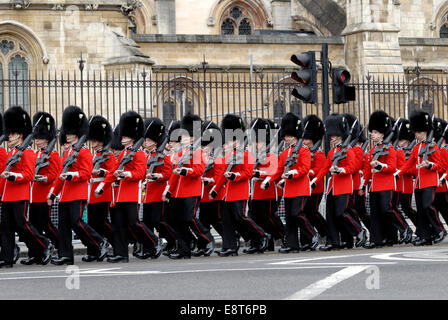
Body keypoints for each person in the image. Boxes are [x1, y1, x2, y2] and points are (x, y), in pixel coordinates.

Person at [48, 106, 109, 265]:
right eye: (66, 133)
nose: (67, 136)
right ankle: (66, 255)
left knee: (77, 222)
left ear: (76, 133)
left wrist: (72, 175)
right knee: (63, 227)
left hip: (78, 194)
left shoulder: (84, 152)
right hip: (65, 196)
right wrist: (53, 194)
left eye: (69, 133)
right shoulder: (67, 153)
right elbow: (60, 177)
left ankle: (99, 242)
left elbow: (86, 173)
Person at [103, 111, 166, 263]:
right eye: (122, 137)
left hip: (131, 193)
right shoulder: (124, 153)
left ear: (132, 137)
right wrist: (103, 184)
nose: (122, 139)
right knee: (118, 225)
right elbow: (114, 172)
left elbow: (140, 173)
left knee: (134, 223)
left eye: (125, 137)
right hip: (119, 195)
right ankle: (121, 254)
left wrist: (126, 175)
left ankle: (155, 241)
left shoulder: (138, 154)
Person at [0, 106, 53, 268]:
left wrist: (14, 176)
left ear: (20, 134)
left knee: (22, 225)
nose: (8, 137)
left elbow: (29, 175)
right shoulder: (10, 153)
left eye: (12, 134)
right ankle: (7, 257)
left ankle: (44, 244)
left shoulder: (27, 152)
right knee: (6, 227)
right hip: (7, 196)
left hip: (20, 195)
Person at [213, 114, 270, 256]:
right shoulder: (227, 156)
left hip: (240, 192)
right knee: (227, 221)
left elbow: (247, 173)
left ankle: (261, 235)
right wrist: (216, 189)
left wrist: (234, 176)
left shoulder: (246, 154)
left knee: (241, 218)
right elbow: (222, 175)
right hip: (227, 194)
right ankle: (229, 247)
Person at [262, 112, 315, 254]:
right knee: (290, 218)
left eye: (288, 135)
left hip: (301, 188)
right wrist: (268, 180)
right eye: (285, 135)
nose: (286, 138)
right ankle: (292, 245)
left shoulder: (304, 150)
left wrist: (292, 173)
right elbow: (278, 170)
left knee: (297, 213)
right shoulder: (285, 153)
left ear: (294, 135)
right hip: (289, 189)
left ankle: (312, 234)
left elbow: (305, 168)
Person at [164, 113, 214, 259]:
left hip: (192, 191)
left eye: (185, 136)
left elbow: (199, 170)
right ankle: (184, 250)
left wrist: (186, 170)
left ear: (192, 137)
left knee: (190, 218)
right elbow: (174, 174)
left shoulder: (197, 151)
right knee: (178, 222)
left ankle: (207, 238)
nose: (182, 138)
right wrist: (169, 191)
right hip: (178, 193)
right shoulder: (180, 153)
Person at [316, 113, 367, 251]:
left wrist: (340, 170)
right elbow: (324, 168)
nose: (331, 138)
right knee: (331, 217)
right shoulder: (332, 152)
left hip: (344, 187)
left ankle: (358, 230)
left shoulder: (348, 150)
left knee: (341, 213)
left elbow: (353, 167)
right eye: (331, 135)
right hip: (332, 187)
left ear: (340, 135)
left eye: (334, 135)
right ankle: (334, 242)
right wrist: (314, 180)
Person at [362, 111, 412, 249]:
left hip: (386, 184)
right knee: (375, 213)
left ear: (382, 135)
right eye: (372, 132)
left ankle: (405, 228)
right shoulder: (372, 150)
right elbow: (367, 171)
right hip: (374, 186)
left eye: (375, 132)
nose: (372, 134)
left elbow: (391, 167)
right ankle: (376, 240)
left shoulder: (389, 149)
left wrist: (380, 166)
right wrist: (363, 184)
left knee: (388, 209)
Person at [397, 109, 446, 246]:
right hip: (418, 183)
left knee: (427, 205)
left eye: (419, 132)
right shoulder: (416, 147)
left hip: (429, 181)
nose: (416, 134)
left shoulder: (432, 146)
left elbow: (440, 166)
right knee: (421, 210)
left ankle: (440, 229)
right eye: (416, 132)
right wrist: (398, 173)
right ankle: (425, 237)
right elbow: (409, 163)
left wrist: (429, 165)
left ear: (425, 132)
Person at [22, 112, 60, 265]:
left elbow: (54, 175)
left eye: (40, 138)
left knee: (47, 225)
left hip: (45, 194)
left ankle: (62, 248)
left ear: (47, 139)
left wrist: (43, 179)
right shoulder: (35, 154)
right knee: (34, 226)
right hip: (34, 194)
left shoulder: (53, 154)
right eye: (36, 138)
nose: (37, 141)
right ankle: (35, 254)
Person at [246, 118, 285, 253]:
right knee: (255, 218)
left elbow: (273, 171)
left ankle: (283, 236)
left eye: (259, 141)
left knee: (268, 217)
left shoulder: (271, 154)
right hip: (256, 191)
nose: (257, 144)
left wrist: (259, 173)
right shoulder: (255, 154)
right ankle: (257, 243)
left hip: (268, 191)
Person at [139, 117, 176, 259]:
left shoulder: (162, 157)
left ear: (154, 142)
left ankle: (174, 239)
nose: (146, 142)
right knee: (147, 223)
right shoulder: (146, 156)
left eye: (148, 140)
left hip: (157, 193)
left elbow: (167, 174)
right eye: (146, 140)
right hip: (147, 194)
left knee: (158, 221)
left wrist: (155, 176)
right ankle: (150, 249)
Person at [83, 115, 116, 262]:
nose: (93, 142)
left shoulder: (108, 155)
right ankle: (94, 251)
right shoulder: (93, 155)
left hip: (103, 192)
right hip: (92, 191)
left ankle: (117, 245)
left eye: (95, 140)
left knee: (102, 223)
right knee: (92, 224)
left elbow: (112, 174)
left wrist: (101, 173)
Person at [193, 120, 225, 257]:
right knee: (203, 222)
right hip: (204, 195)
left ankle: (230, 240)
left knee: (217, 221)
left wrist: (208, 181)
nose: (204, 147)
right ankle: (203, 246)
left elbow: (219, 177)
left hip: (215, 194)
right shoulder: (203, 157)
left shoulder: (218, 157)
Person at [301, 114, 327, 251]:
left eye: (306, 139)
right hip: (305, 187)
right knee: (305, 212)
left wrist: (306, 172)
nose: (304, 141)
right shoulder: (304, 152)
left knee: (311, 211)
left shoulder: (318, 154)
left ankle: (325, 231)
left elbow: (318, 170)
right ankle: (307, 239)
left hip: (316, 187)